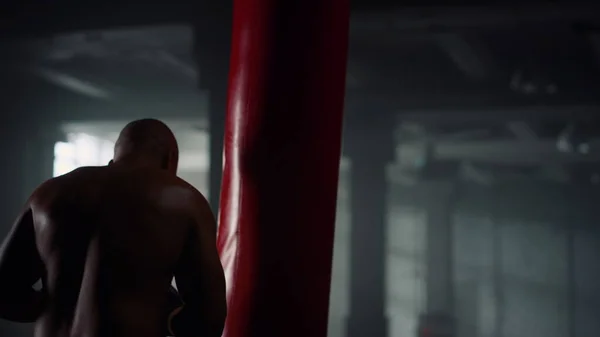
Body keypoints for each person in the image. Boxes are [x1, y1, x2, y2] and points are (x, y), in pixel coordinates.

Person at [0, 119, 226, 337]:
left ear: (114, 157)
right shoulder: (184, 200)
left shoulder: (46, 194)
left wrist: (56, 305)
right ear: (170, 160)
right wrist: (162, 316)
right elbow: (208, 319)